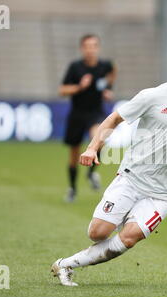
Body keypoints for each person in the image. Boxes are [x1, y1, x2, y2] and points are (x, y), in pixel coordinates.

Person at [51, 36, 167, 286]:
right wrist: (92, 148)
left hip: (163, 195)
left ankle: (66, 264)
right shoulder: (152, 96)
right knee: (97, 232)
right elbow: (113, 119)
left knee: (129, 238)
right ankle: (122, 213)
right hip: (132, 179)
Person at [59, 34, 116, 202]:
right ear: (82, 48)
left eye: (94, 46)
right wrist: (79, 87)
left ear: (98, 48)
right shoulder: (75, 67)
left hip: (95, 113)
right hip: (77, 113)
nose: (90, 49)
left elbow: (113, 71)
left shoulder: (105, 66)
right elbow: (62, 90)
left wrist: (109, 88)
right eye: (87, 46)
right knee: (74, 153)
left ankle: (91, 173)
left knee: (100, 139)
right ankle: (72, 189)